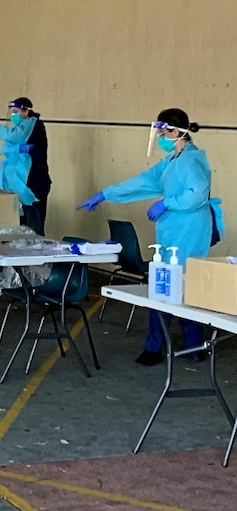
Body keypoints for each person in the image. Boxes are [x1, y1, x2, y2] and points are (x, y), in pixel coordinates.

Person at [77, 108, 223, 365]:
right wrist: (105, 194)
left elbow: (197, 192)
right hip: (174, 230)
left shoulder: (191, 160)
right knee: (168, 283)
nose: (160, 137)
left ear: (177, 132)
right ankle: (176, 344)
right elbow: (143, 181)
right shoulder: (171, 162)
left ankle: (183, 345)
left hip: (189, 229)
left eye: (164, 131)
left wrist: (168, 203)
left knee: (182, 284)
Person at [0, 97, 51, 235]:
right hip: (19, 187)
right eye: (11, 112)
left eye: (16, 111)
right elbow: (6, 147)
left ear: (26, 112)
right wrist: (17, 149)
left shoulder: (33, 124)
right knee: (20, 229)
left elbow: (14, 136)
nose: (13, 115)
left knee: (34, 230)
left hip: (33, 186)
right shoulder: (21, 128)